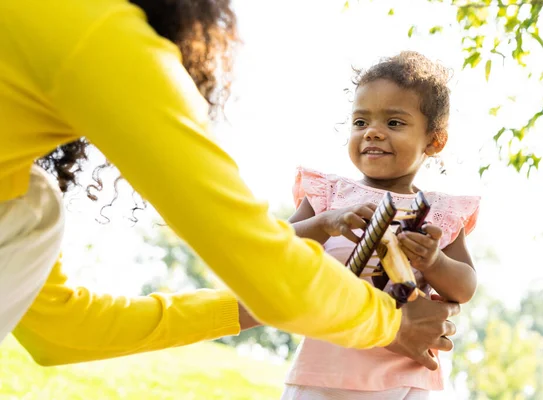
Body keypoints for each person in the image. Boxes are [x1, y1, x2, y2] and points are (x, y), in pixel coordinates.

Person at [0, 0, 459, 368]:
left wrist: (264, 298)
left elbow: (59, 332)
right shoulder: (100, 31)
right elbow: (269, 269)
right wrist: (392, 323)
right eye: (361, 120)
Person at [281, 51, 480, 399]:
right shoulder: (329, 194)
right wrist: (324, 223)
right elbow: (274, 246)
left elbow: (464, 287)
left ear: (434, 141)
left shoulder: (440, 212)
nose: (372, 133)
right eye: (361, 122)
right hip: (324, 371)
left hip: (405, 379)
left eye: (394, 123)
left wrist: (435, 262)